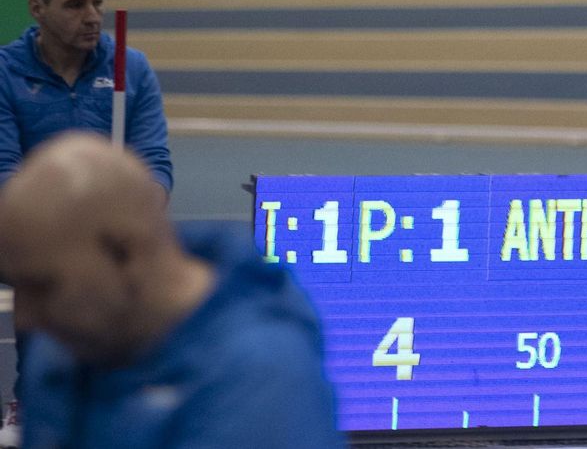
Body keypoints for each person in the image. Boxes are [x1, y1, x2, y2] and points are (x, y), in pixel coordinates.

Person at [0, 134, 343, 448]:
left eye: (43, 286)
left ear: (126, 253)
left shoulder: (267, 379)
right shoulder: (61, 346)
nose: (27, 318)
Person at [0, 0, 171, 439]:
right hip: (23, 228)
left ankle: (120, 395)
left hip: (111, 230)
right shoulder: (4, 73)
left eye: (98, 2)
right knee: (60, 269)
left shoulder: (130, 68)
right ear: (37, 9)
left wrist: (138, 221)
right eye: (75, 5)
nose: (93, 16)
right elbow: (5, 171)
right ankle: (30, 401)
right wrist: (65, 231)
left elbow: (155, 165)